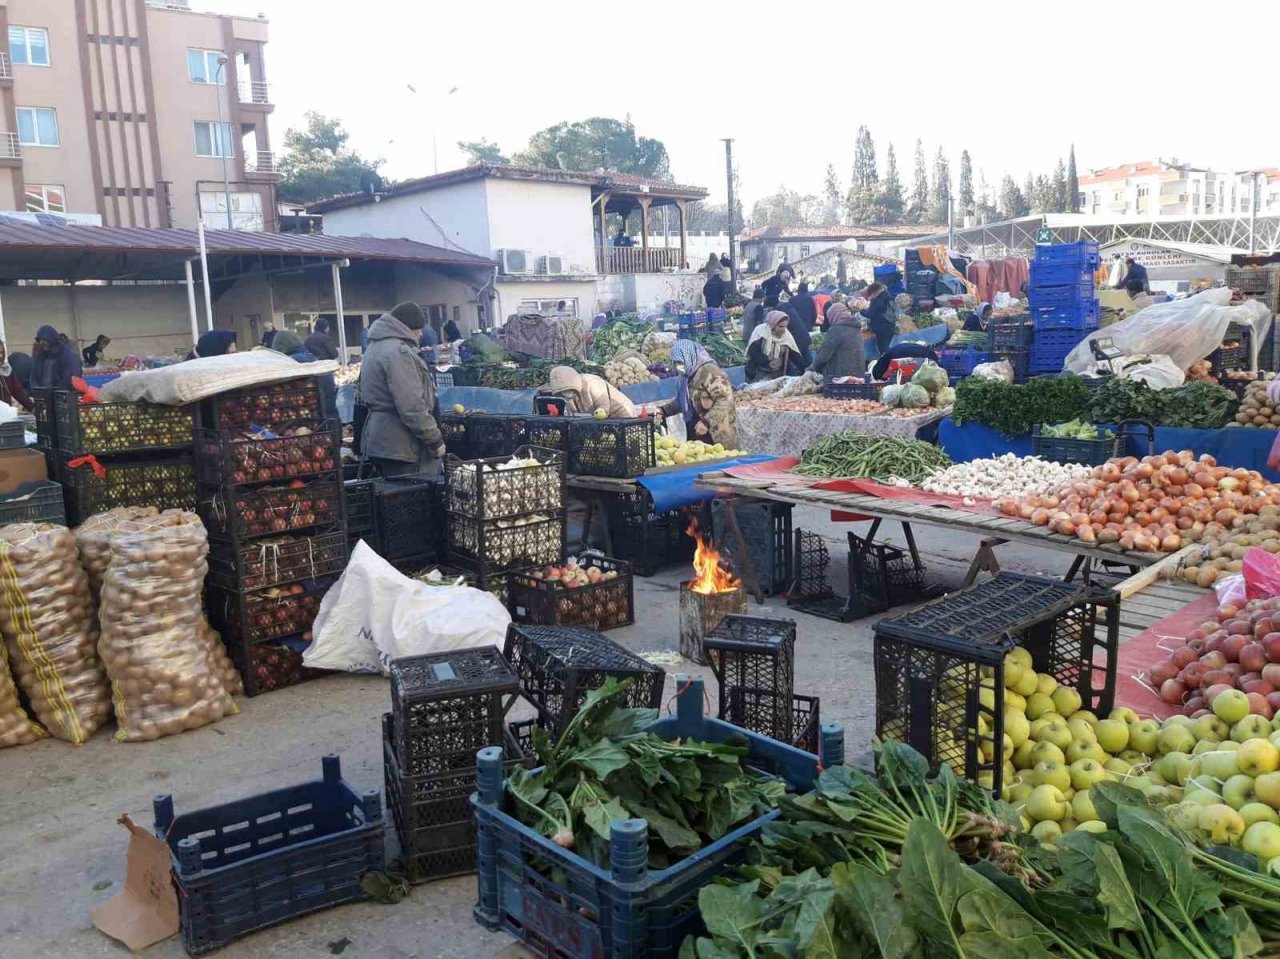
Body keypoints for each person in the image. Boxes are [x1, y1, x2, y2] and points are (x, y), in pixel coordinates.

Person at [359, 301, 446, 477]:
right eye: (418, 328)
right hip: (404, 445)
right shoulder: (398, 353)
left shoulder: (375, 347)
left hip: (382, 439)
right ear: (406, 327)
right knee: (417, 499)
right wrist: (434, 440)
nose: (421, 334)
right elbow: (411, 405)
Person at [659, 340, 738, 447]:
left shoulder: (710, 372)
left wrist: (706, 422)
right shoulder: (686, 377)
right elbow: (682, 402)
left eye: (680, 363)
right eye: (675, 363)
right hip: (697, 432)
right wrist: (663, 411)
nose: (677, 367)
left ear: (689, 357)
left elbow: (725, 399)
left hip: (717, 433)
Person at [541, 366, 637, 418]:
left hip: (622, 413)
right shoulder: (568, 397)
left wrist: (598, 416)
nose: (566, 393)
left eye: (568, 390)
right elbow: (570, 413)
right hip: (601, 420)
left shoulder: (592, 383)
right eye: (563, 391)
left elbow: (604, 407)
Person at [810, 303, 866, 380]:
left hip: (840, 377)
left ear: (834, 316)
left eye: (830, 318)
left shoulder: (836, 330)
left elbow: (824, 355)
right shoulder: (856, 328)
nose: (829, 321)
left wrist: (812, 368)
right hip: (859, 374)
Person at [746, 310, 805, 381]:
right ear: (773, 325)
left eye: (785, 326)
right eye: (781, 326)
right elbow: (754, 353)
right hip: (760, 373)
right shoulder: (760, 332)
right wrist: (767, 362)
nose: (783, 329)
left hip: (779, 374)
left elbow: (794, 354)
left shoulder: (786, 335)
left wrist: (805, 369)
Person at [31, 325, 83, 390]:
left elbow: (69, 380)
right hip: (44, 394)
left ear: (52, 340)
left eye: (44, 342)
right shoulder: (40, 356)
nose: (42, 344)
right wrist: (37, 390)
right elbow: (34, 377)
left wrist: (55, 392)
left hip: (63, 394)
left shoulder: (68, 356)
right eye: (40, 341)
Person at [871, 342, 940, 381]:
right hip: (925, 353)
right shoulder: (888, 355)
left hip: (927, 357)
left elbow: (885, 376)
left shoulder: (892, 358)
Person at [862, 282, 895, 353]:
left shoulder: (877, 300)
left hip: (881, 328)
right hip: (890, 325)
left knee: (883, 348)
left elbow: (870, 314)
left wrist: (861, 310)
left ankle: (885, 361)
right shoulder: (887, 296)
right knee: (888, 346)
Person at [0, 341, 31, 411]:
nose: (1, 356)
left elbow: (18, 391)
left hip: (5, 415)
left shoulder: (6, 369)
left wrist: (32, 408)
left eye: (2, 353)